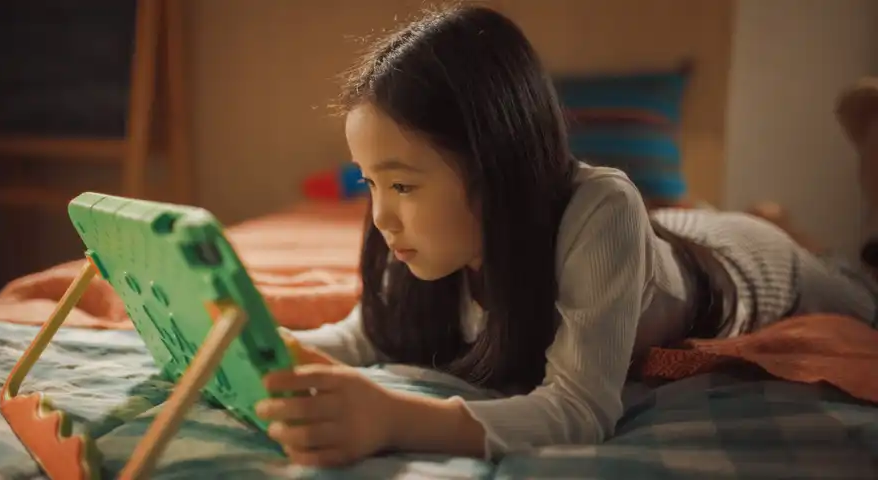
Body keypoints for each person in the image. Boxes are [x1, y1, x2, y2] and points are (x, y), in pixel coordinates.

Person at [251, 4, 878, 468]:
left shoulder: (601, 204)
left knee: (863, 281)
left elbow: (581, 410)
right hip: (672, 240)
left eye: (404, 187)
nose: (383, 216)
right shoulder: (418, 242)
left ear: (493, 166)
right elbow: (368, 334)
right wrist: (270, 345)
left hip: (751, 264)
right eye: (370, 183)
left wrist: (395, 418)